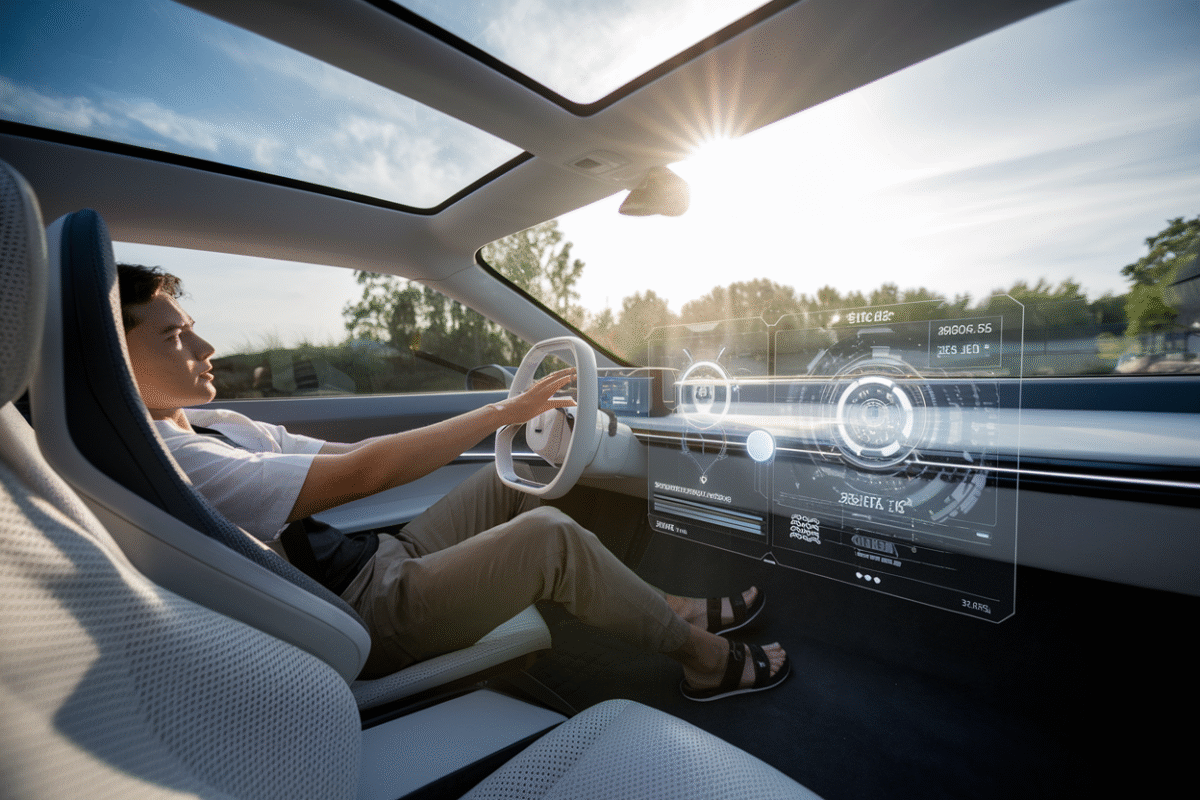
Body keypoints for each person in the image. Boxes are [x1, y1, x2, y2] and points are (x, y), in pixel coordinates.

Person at [117, 263, 789, 700]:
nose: (205, 349)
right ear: (116, 353)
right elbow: (366, 474)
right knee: (548, 536)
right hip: (364, 616)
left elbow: (359, 452)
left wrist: (502, 418)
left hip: (379, 561)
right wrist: (503, 413)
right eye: (174, 338)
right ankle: (703, 659)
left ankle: (669, 607)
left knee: (514, 483)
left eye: (193, 330)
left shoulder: (221, 425)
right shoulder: (175, 457)